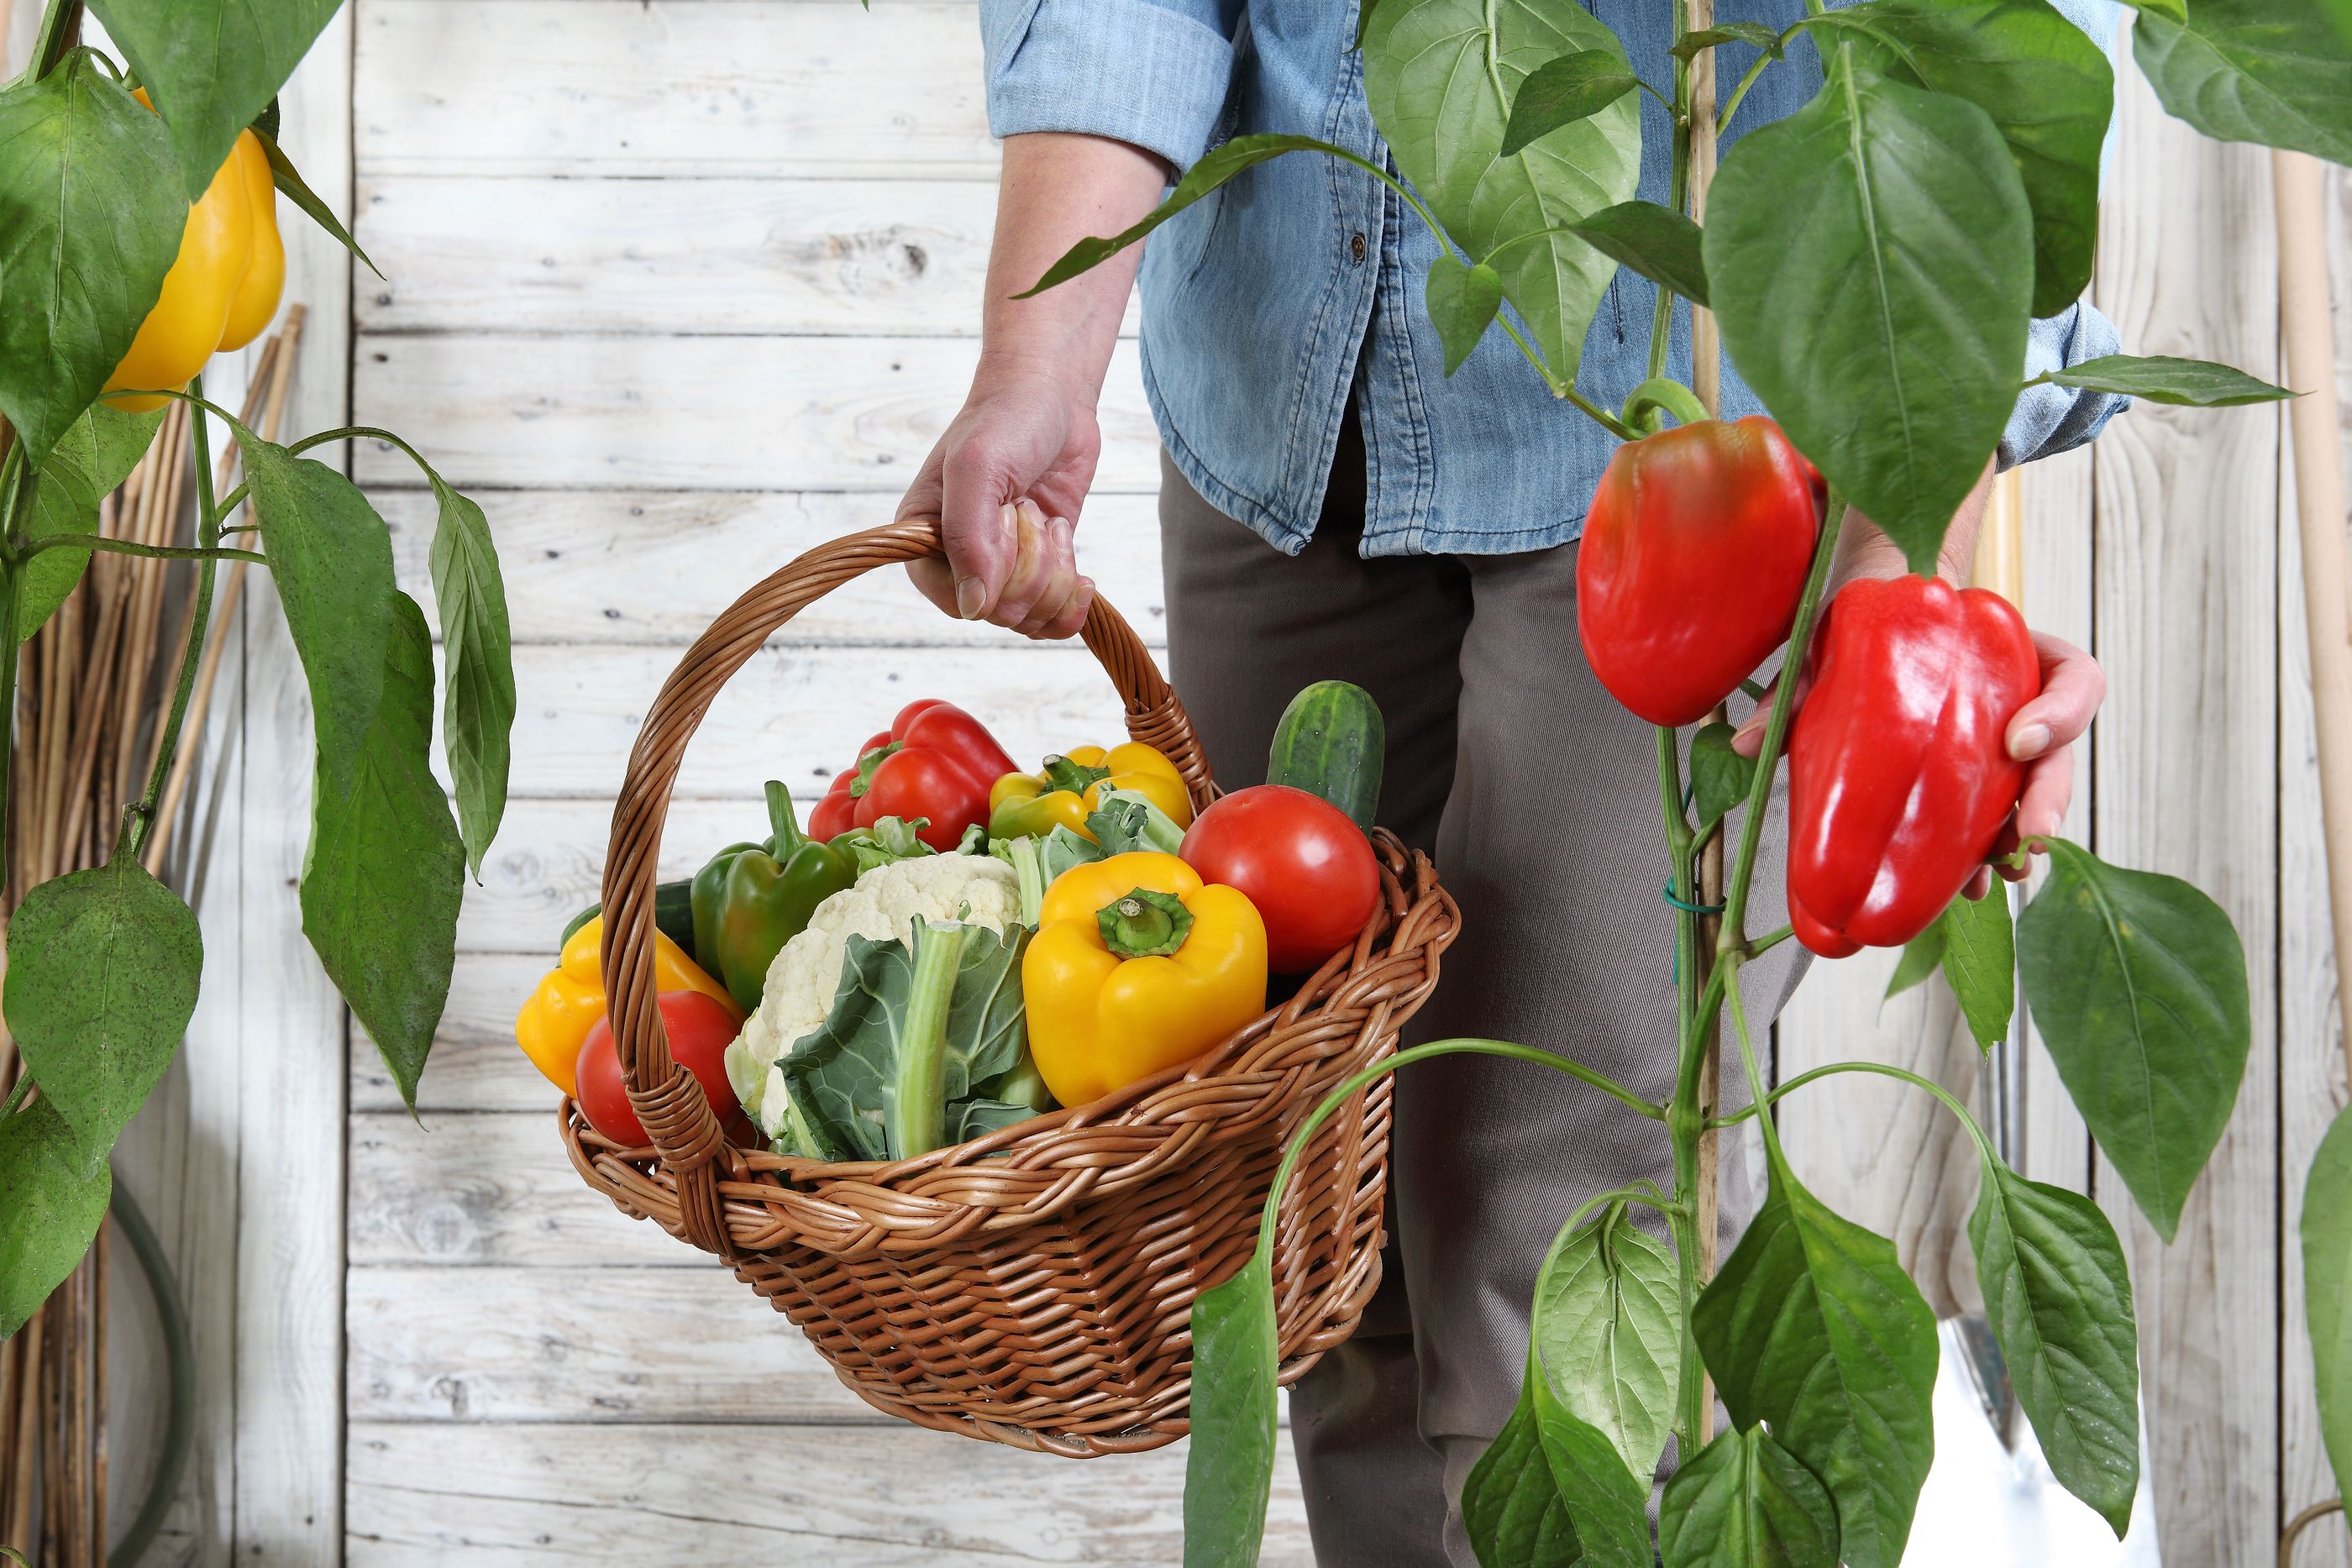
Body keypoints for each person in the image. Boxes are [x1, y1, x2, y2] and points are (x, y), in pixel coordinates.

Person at [897, 4, 2118, 1562]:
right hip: (1286, 376)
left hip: (1706, 432)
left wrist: (1910, 513)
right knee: (1323, 1205)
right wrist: (1038, 361)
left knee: (1550, 1232)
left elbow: (1999, 41)